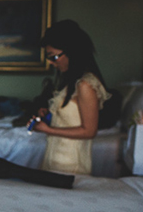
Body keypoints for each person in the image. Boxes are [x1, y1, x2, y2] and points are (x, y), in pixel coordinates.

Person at [28, 20, 111, 175]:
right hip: (55, 158)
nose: (52, 63)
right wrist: (48, 115)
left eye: (54, 57)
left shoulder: (85, 85)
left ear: (71, 51)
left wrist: (49, 130)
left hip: (72, 164)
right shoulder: (69, 82)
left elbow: (89, 131)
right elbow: (70, 117)